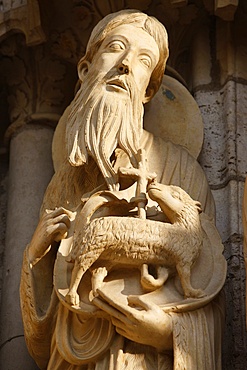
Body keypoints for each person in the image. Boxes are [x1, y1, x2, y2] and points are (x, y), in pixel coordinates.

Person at [20, 9, 226, 369]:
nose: (126, 65)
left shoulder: (180, 170)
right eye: (116, 48)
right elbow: (39, 344)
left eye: (143, 59)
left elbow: (211, 289)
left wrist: (167, 332)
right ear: (86, 69)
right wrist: (35, 262)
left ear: (148, 91)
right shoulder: (61, 184)